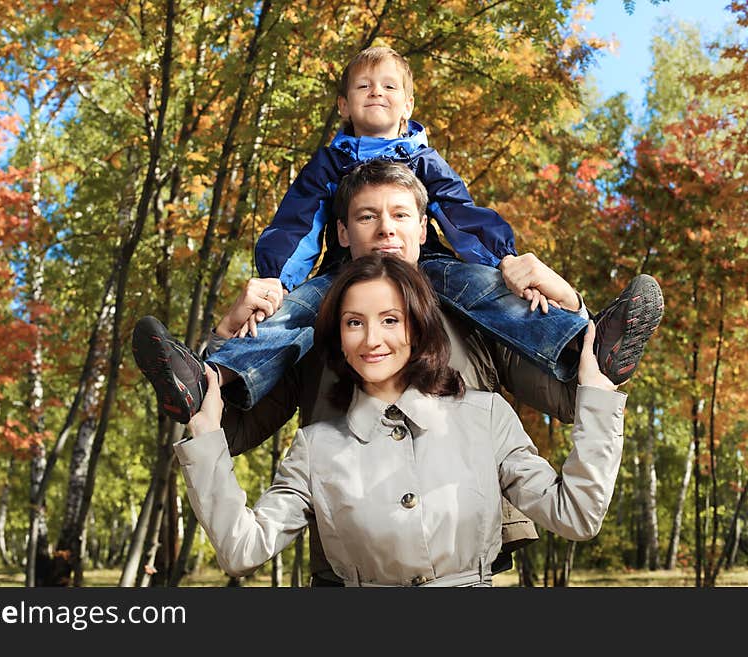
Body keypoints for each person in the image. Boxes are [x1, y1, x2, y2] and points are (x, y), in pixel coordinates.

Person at [135, 160, 658, 583]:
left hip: (467, 548)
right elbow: (229, 433)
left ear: (423, 226)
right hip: (351, 559)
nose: (373, 340)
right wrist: (224, 352)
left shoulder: (479, 316)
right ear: (342, 232)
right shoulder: (309, 331)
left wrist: (573, 313)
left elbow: (577, 397)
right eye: (367, 217)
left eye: (400, 215)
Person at [132, 48, 663, 426]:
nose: (376, 93)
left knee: (486, 290)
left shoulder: (424, 159)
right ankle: (209, 380)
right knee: (292, 313)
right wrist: (276, 283)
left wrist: (504, 260)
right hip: (343, 273)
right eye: (363, 87)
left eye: (389, 86)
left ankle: (587, 344)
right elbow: (299, 223)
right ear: (343, 106)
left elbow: (459, 211)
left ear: (408, 105)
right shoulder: (331, 162)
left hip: (430, 266)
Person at [174, 254, 626, 587]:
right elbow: (242, 549)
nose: (372, 339)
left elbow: (577, 515)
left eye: (390, 319)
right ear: (339, 338)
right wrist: (206, 438)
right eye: (354, 323)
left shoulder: (486, 417)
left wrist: (598, 397)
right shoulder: (315, 447)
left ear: (418, 327)